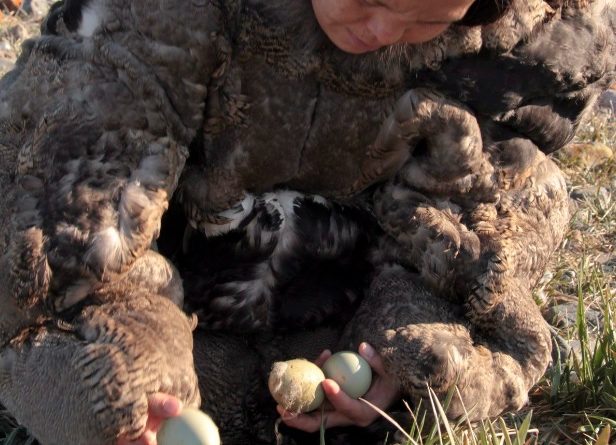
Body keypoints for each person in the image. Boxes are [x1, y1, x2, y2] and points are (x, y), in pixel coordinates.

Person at [0, 0, 613, 444]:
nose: (380, 32)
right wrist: (126, 370)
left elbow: (491, 214)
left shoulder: (522, 49)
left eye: (427, 18)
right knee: (93, 382)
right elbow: (60, 224)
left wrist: (400, 355)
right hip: (170, 280)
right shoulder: (155, 15)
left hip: (341, 291)